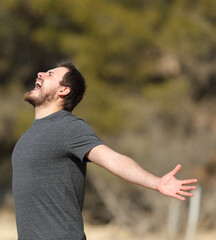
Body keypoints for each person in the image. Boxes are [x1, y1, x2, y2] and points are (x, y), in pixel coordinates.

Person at [11, 61, 198, 240]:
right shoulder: (27, 136)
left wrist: (157, 182)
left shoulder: (69, 127)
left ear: (63, 90)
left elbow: (113, 159)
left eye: (50, 74)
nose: (40, 73)